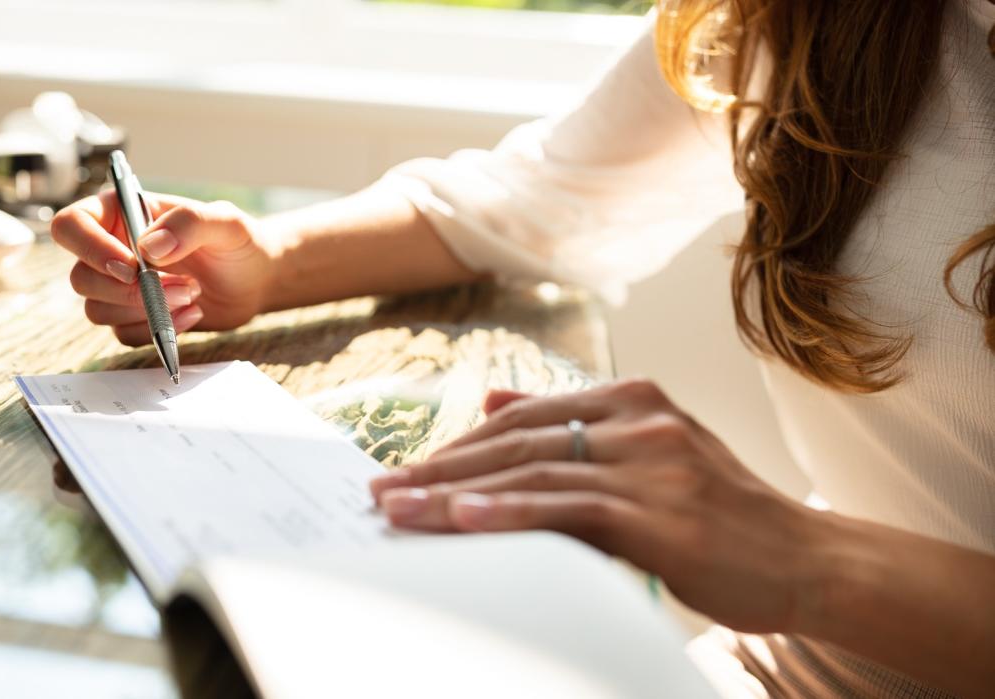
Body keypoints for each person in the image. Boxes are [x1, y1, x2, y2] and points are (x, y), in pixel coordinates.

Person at [49, 1, 995, 696]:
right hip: (800, 670)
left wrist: (805, 556)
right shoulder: (829, 20)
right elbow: (548, 198)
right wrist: (263, 264)